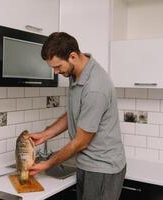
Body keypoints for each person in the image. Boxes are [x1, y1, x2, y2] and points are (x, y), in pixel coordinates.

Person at [28, 32, 126, 200]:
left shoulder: (95, 87)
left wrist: (48, 163)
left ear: (72, 56)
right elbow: (74, 113)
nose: (56, 72)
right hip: (87, 163)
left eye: (58, 67)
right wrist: (45, 135)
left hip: (102, 168)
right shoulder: (76, 74)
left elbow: (81, 142)